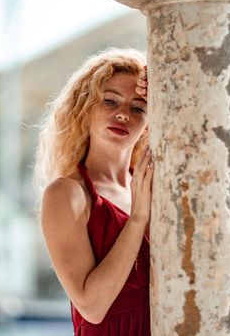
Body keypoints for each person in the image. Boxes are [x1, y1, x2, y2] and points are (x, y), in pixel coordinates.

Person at [34, 47, 153, 335]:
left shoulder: (152, 184)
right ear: (84, 109)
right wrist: (137, 219)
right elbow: (92, 306)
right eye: (110, 102)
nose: (123, 114)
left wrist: (165, 87)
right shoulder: (66, 194)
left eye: (138, 107)